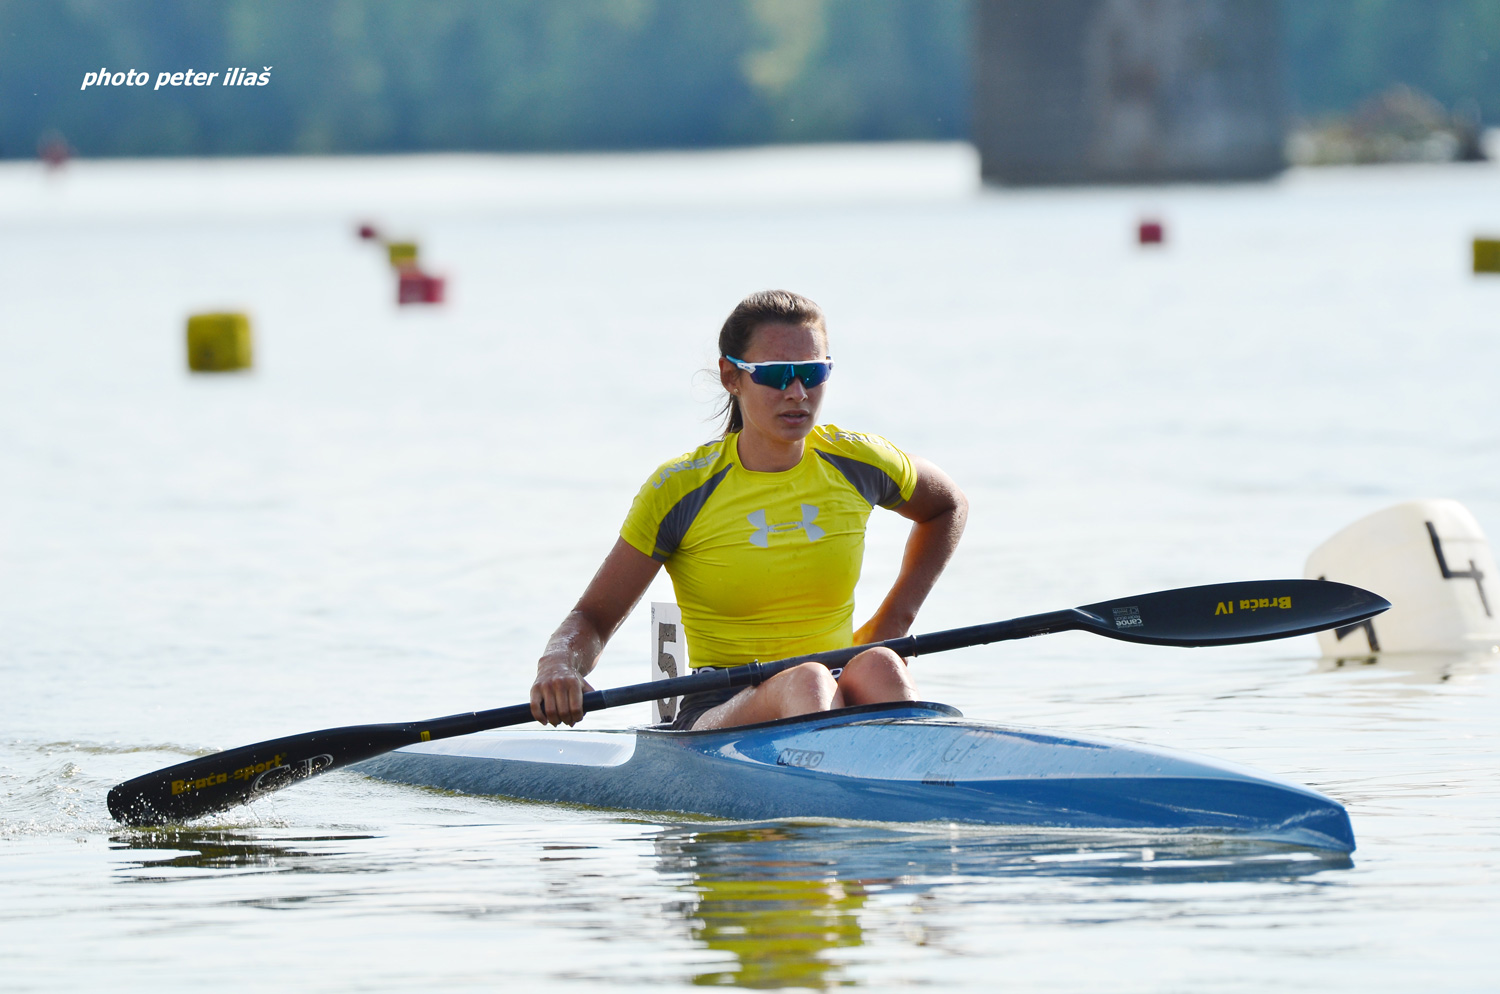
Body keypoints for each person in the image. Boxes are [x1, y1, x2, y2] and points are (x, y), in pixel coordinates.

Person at [530, 290, 967, 731]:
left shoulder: (858, 462)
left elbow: (948, 506)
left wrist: (895, 621)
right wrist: (559, 665)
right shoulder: (681, 489)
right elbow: (592, 617)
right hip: (720, 705)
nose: (798, 393)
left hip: (835, 682)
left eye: (813, 373)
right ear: (730, 376)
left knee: (881, 665)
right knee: (808, 681)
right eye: (777, 375)